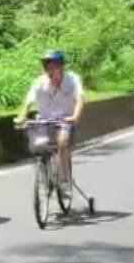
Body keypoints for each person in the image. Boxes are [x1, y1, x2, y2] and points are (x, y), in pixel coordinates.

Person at [15, 49, 83, 190]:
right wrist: (22, 117)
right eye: (47, 67)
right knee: (38, 147)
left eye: (53, 67)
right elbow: (28, 102)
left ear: (61, 66)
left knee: (62, 143)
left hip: (64, 120)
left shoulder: (72, 80)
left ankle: (64, 179)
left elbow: (80, 99)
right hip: (44, 121)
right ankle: (45, 176)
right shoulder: (40, 82)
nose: (50, 71)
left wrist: (75, 117)